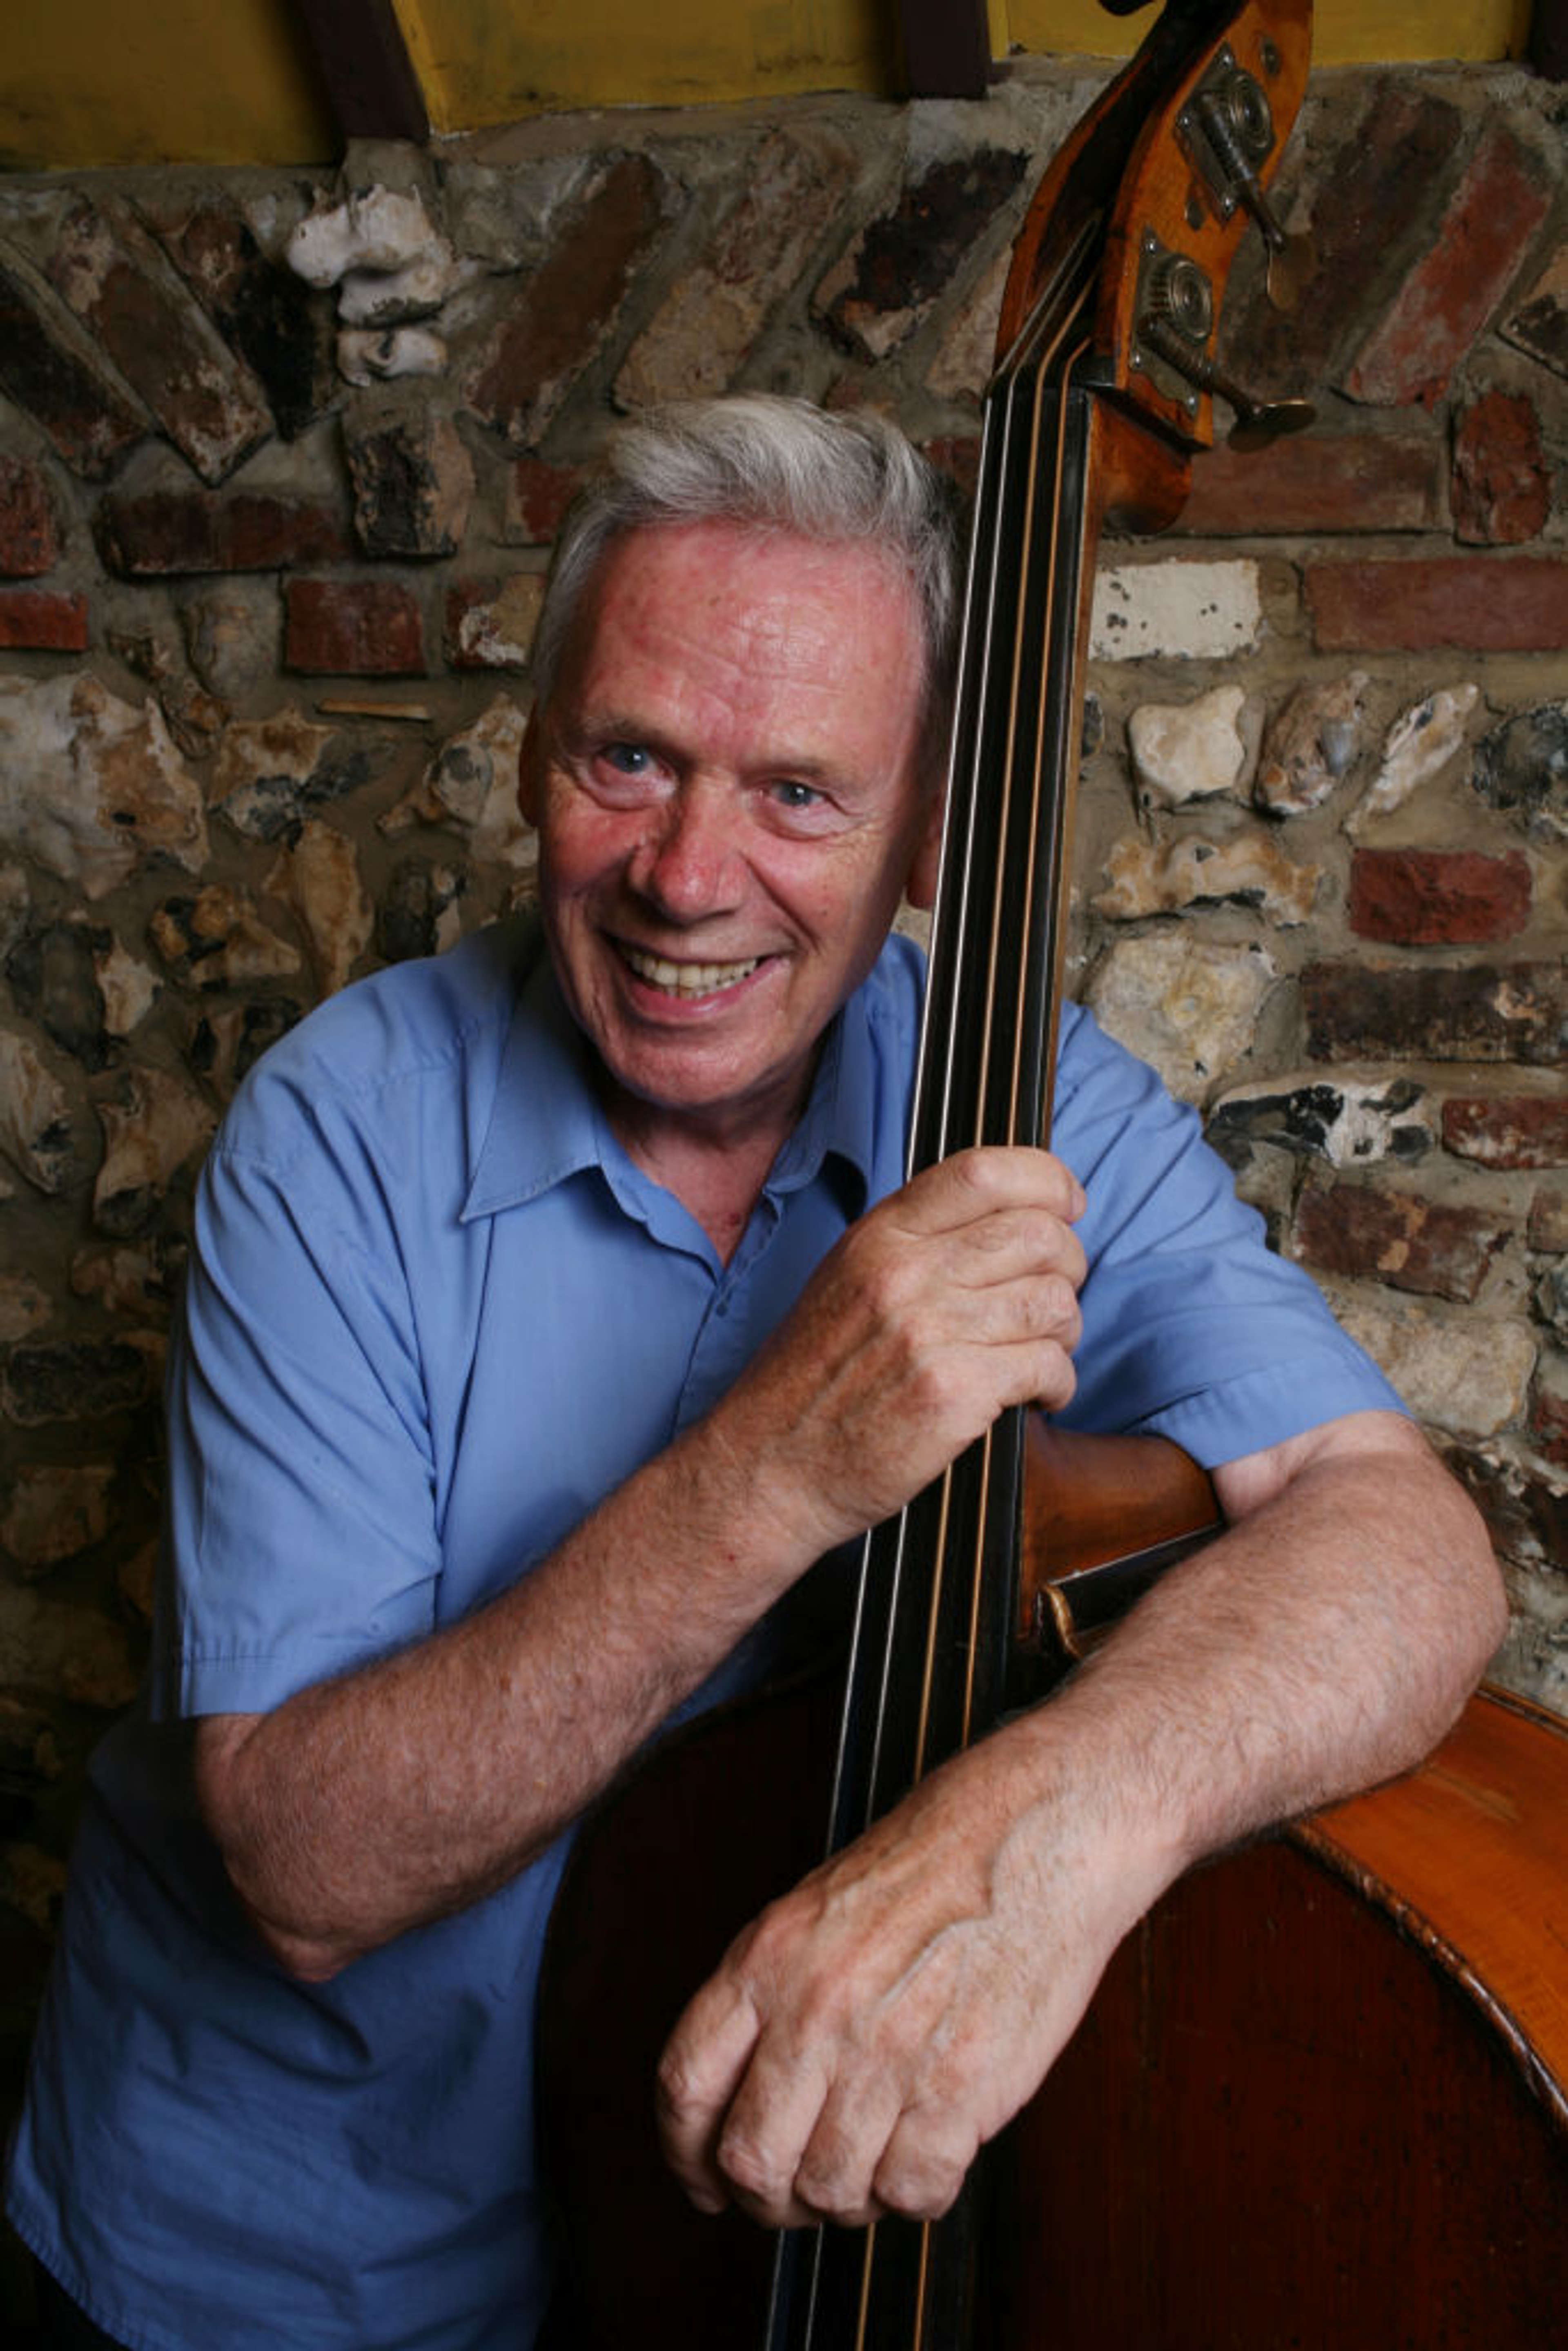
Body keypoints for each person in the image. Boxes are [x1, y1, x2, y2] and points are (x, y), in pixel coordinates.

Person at [6, 396, 1503, 2351]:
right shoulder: (340, 1134)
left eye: (801, 792)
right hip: (284, 2271)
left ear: (925, 839)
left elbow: (1405, 1545)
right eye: (630, 758)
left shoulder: (1025, 1098)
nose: (688, 877)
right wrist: (780, 1466)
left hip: (705, 2259)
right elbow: (303, 1860)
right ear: (539, 753)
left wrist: (1048, 1841)